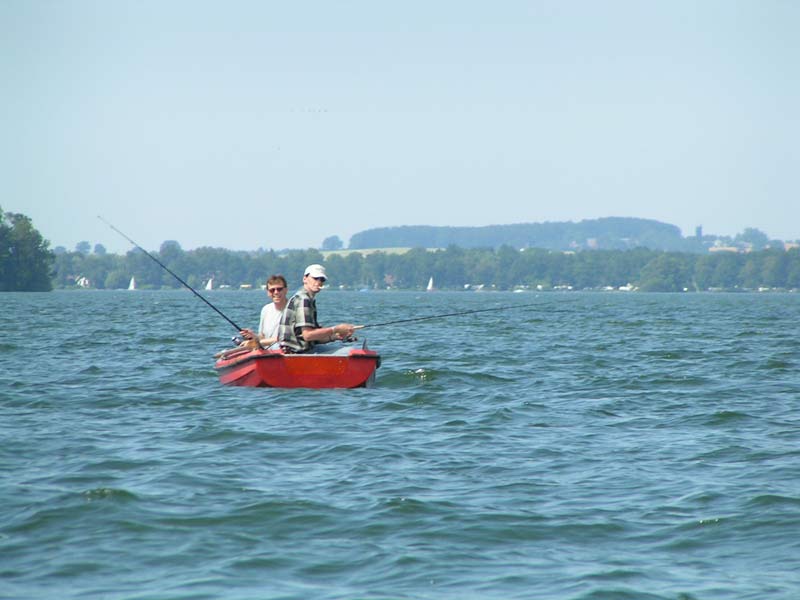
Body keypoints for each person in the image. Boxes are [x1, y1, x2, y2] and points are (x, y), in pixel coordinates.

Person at [278, 264, 357, 353]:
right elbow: (307, 336)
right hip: (296, 353)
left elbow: (311, 339)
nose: (319, 282)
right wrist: (336, 329)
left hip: (298, 350)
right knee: (350, 351)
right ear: (305, 279)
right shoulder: (304, 299)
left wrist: (334, 336)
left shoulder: (303, 298)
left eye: (322, 279)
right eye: (315, 278)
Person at [239, 274, 289, 348]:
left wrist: (256, 343)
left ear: (286, 290)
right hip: (267, 354)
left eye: (279, 289)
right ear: (268, 292)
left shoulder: (293, 308)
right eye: (272, 290)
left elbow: (285, 338)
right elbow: (263, 337)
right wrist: (253, 336)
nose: (276, 292)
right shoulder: (266, 310)